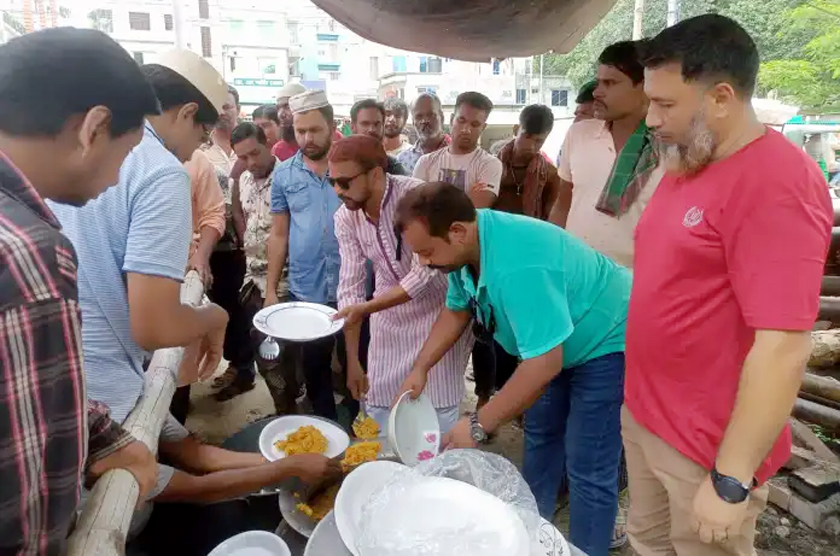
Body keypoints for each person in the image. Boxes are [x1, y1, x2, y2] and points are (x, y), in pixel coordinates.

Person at [625, 15, 833, 556]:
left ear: (721, 97)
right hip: (649, 415)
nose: (651, 119)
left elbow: (784, 344)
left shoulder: (774, 184)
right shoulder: (686, 160)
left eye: (666, 105)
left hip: (706, 445)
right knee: (648, 545)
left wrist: (730, 478)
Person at [394, 183, 631, 556]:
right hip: (551, 340)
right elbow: (458, 309)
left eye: (426, 252)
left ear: (457, 231)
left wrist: (478, 423)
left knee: (588, 461)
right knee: (541, 435)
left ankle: (587, 548)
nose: (424, 262)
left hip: (606, 337)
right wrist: (421, 366)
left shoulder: (520, 263)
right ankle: (528, 536)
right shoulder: (463, 249)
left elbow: (544, 363)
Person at [0, 27, 160, 556]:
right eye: (125, 153)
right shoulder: (28, 254)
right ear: (94, 128)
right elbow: (24, 512)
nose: (117, 179)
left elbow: (29, 389)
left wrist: (108, 436)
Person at [330, 136, 472, 433]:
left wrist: (366, 308)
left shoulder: (416, 197)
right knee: (380, 406)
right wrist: (353, 360)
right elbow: (350, 287)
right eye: (332, 182)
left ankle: (433, 472)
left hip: (441, 309)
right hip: (388, 317)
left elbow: (424, 275)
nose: (337, 191)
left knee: (435, 406)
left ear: (376, 174)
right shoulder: (345, 217)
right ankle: (391, 471)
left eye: (344, 182)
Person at [549, 41, 662, 270]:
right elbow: (563, 204)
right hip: (577, 276)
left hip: (638, 283)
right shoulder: (579, 134)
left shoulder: (670, 145)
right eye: (599, 82)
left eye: (610, 83)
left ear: (644, 86)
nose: (597, 92)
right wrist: (550, 256)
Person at [266, 90, 343, 421]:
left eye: (314, 130)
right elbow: (279, 234)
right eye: (301, 131)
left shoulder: (350, 166)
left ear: (331, 126)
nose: (307, 138)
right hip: (307, 288)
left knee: (362, 361)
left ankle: (363, 429)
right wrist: (270, 289)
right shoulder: (284, 175)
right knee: (315, 367)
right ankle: (327, 430)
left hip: (354, 287)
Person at [216, 122, 300, 408]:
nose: (250, 163)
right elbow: (242, 216)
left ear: (268, 143)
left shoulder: (289, 177)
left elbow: (286, 232)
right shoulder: (244, 181)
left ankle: (294, 410)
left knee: (287, 355)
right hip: (252, 280)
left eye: (255, 153)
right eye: (242, 157)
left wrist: (274, 288)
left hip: (285, 282)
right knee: (264, 353)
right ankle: (283, 410)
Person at [411, 91, 502, 209]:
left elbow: (475, 210)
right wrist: (466, 197)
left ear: (483, 128)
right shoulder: (425, 162)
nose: (466, 130)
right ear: (451, 120)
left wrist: (433, 200)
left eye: (474, 124)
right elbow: (415, 209)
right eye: (461, 120)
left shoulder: (490, 164)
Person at [349, 98, 409, 175]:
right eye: (365, 124)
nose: (372, 129)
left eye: (377, 124)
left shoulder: (394, 168)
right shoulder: (339, 163)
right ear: (353, 127)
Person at [397, 93, 451, 174]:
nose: (425, 121)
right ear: (413, 122)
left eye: (431, 115)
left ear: (442, 117)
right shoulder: (402, 160)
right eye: (419, 116)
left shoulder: (457, 155)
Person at [273, 82, 308, 161]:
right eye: (278, 108)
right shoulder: (279, 149)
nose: (281, 114)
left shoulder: (327, 141)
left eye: (288, 107)